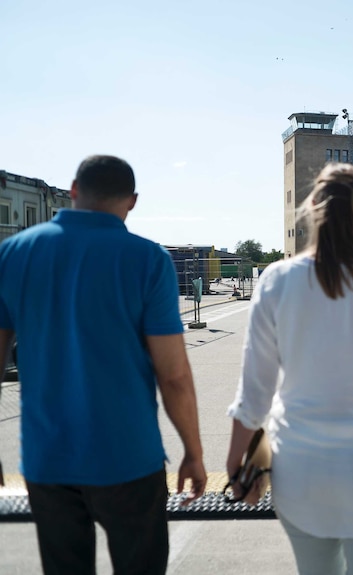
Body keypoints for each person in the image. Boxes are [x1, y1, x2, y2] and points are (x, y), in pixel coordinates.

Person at [0, 155, 207, 575]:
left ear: (74, 189)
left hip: (48, 460)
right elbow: (174, 376)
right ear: (132, 201)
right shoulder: (148, 260)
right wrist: (194, 452)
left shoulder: (13, 254)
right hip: (129, 458)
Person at [226, 163, 353, 575]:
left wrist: (235, 460)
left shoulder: (277, 280)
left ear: (312, 207)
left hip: (302, 474)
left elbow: (255, 392)